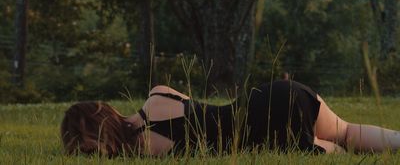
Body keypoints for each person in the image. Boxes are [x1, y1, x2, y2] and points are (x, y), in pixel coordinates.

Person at [61, 80, 400, 157]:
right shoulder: (157, 94)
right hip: (270, 96)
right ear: (106, 110)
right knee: (348, 131)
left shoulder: (145, 150)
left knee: (333, 146)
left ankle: (318, 147)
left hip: (264, 134)